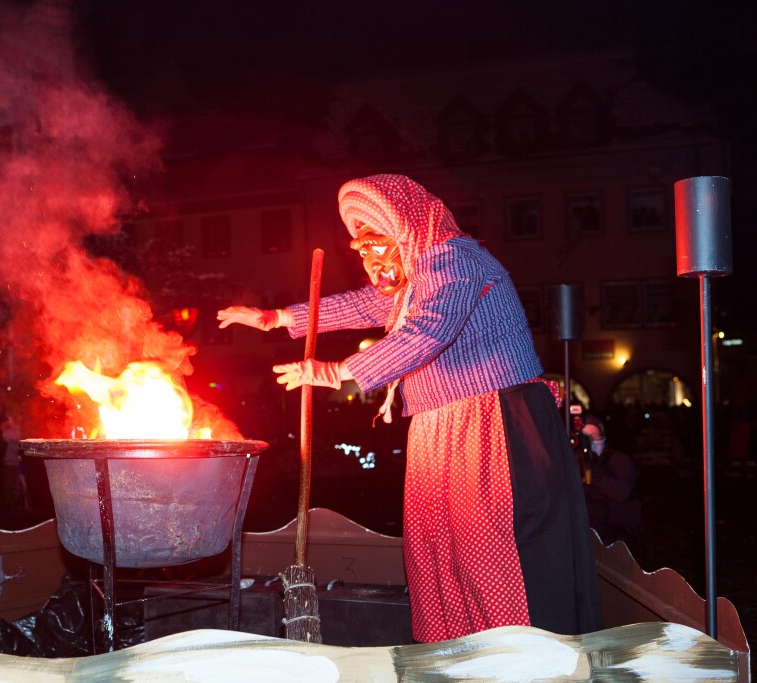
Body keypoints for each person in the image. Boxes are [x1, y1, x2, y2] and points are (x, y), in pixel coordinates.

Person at [217, 174, 600, 642]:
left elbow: (430, 332)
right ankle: (457, 652)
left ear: (407, 230)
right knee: (441, 550)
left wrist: (332, 372)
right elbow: (361, 307)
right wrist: (276, 318)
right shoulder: (417, 280)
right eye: (361, 248)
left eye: (377, 243)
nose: (371, 259)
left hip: (490, 423)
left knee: (490, 549)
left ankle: (517, 653)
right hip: (440, 426)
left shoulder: (456, 259)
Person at [580, 418, 645, 554]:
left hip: (619, 537)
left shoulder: (619, 461)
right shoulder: (579, 463)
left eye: (594, 436)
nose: (591, 442)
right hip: (591, 535)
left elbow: (622, 492)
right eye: (586, 438)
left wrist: (596, 475)